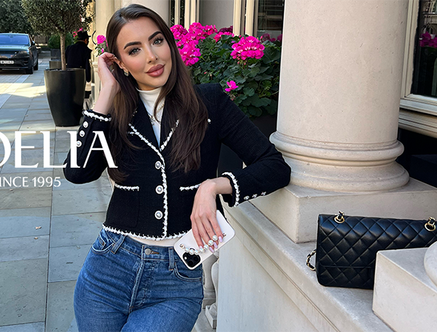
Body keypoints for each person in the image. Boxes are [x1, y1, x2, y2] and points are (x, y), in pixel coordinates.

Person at [63, 4, 290, 332]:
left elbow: (274, 167)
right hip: (107, 271)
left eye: (156, 41)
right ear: (120, 63)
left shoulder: (210, 103)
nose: (152, 56)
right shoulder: (113, 114)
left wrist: (213, 186)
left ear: (169, 43)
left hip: (176, 280)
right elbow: (77, 171)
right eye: (134, 50)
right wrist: (106, 93)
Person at [66, 31, 92, 98]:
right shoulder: (87, 51)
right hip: (80, 76)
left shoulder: (69, 48)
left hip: (69, 75)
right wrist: (88, 78)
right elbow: (87, 65)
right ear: (86, 40)